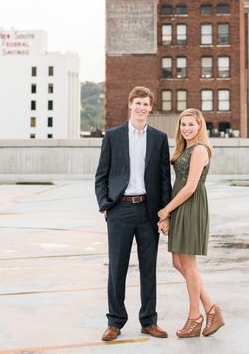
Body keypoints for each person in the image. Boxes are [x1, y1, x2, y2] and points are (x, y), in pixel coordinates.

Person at [95, 86, 171, 341]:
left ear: (151, 108)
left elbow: (164, 180)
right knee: (117, 268)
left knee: (149, 268)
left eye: (145, 104)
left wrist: (165, 214)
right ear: (130, 106)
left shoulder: (159, 139)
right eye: (137, 103)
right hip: (120, 210)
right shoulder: (113, 136)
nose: (141, 108)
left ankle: (149, 321)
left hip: (149, 211)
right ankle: (115, 322)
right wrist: (106, 205)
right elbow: (101, 176)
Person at [157, 108, 224, 338]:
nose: (187, 128)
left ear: (199, 126)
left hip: (191, 205)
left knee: (189, 264)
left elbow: (190, 187)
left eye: (191, 125)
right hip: (181, 205)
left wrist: (166, 211)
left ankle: (195, 317)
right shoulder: (184, 148)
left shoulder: (199, 150)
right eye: (183, 124)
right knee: (178, 262)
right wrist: (170, 213)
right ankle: (212, 308)